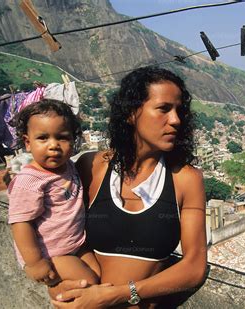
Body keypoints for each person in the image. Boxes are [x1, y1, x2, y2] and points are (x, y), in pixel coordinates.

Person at [52, 67, 207, 308]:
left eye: (179, 111)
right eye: (164, 109)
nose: (176, 120)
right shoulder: (92, 166)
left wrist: (120, 294)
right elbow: (61, 235)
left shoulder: (185, 179)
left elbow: (195, 266)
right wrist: (59, 284)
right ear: (131, 113)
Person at [8, 99, 100, 296]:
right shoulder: (30, 181)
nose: (54, 146)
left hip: (76, 244)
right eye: (43, 138)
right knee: (89, 283)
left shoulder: (69, 167)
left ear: (73, 141)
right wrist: (35, 263)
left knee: (99, 274)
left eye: (62, 138)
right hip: (50, 253)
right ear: (27, 142)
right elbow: (20, 223)